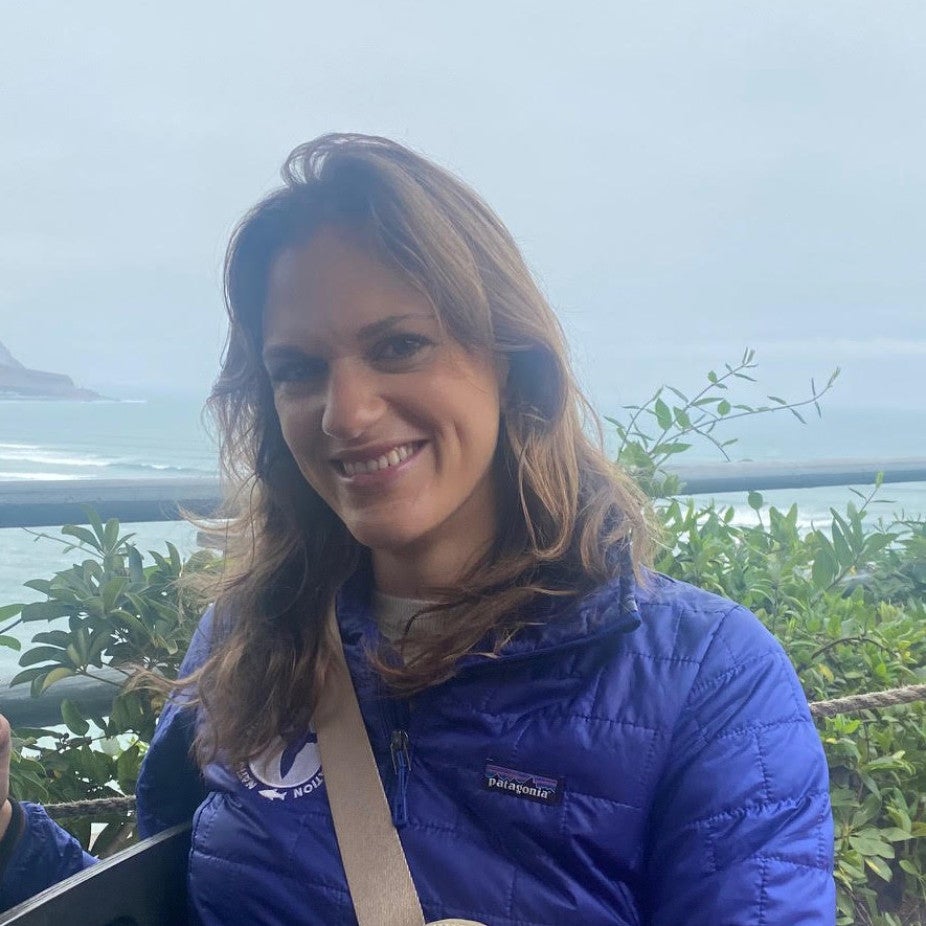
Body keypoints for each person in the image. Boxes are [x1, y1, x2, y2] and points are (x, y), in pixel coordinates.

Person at [0, 134, 835, 924]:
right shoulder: (248, 636)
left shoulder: (706, 681)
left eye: (398, 346)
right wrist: (6, 836)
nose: (347, 413)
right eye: (298, 370)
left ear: (509, 361)